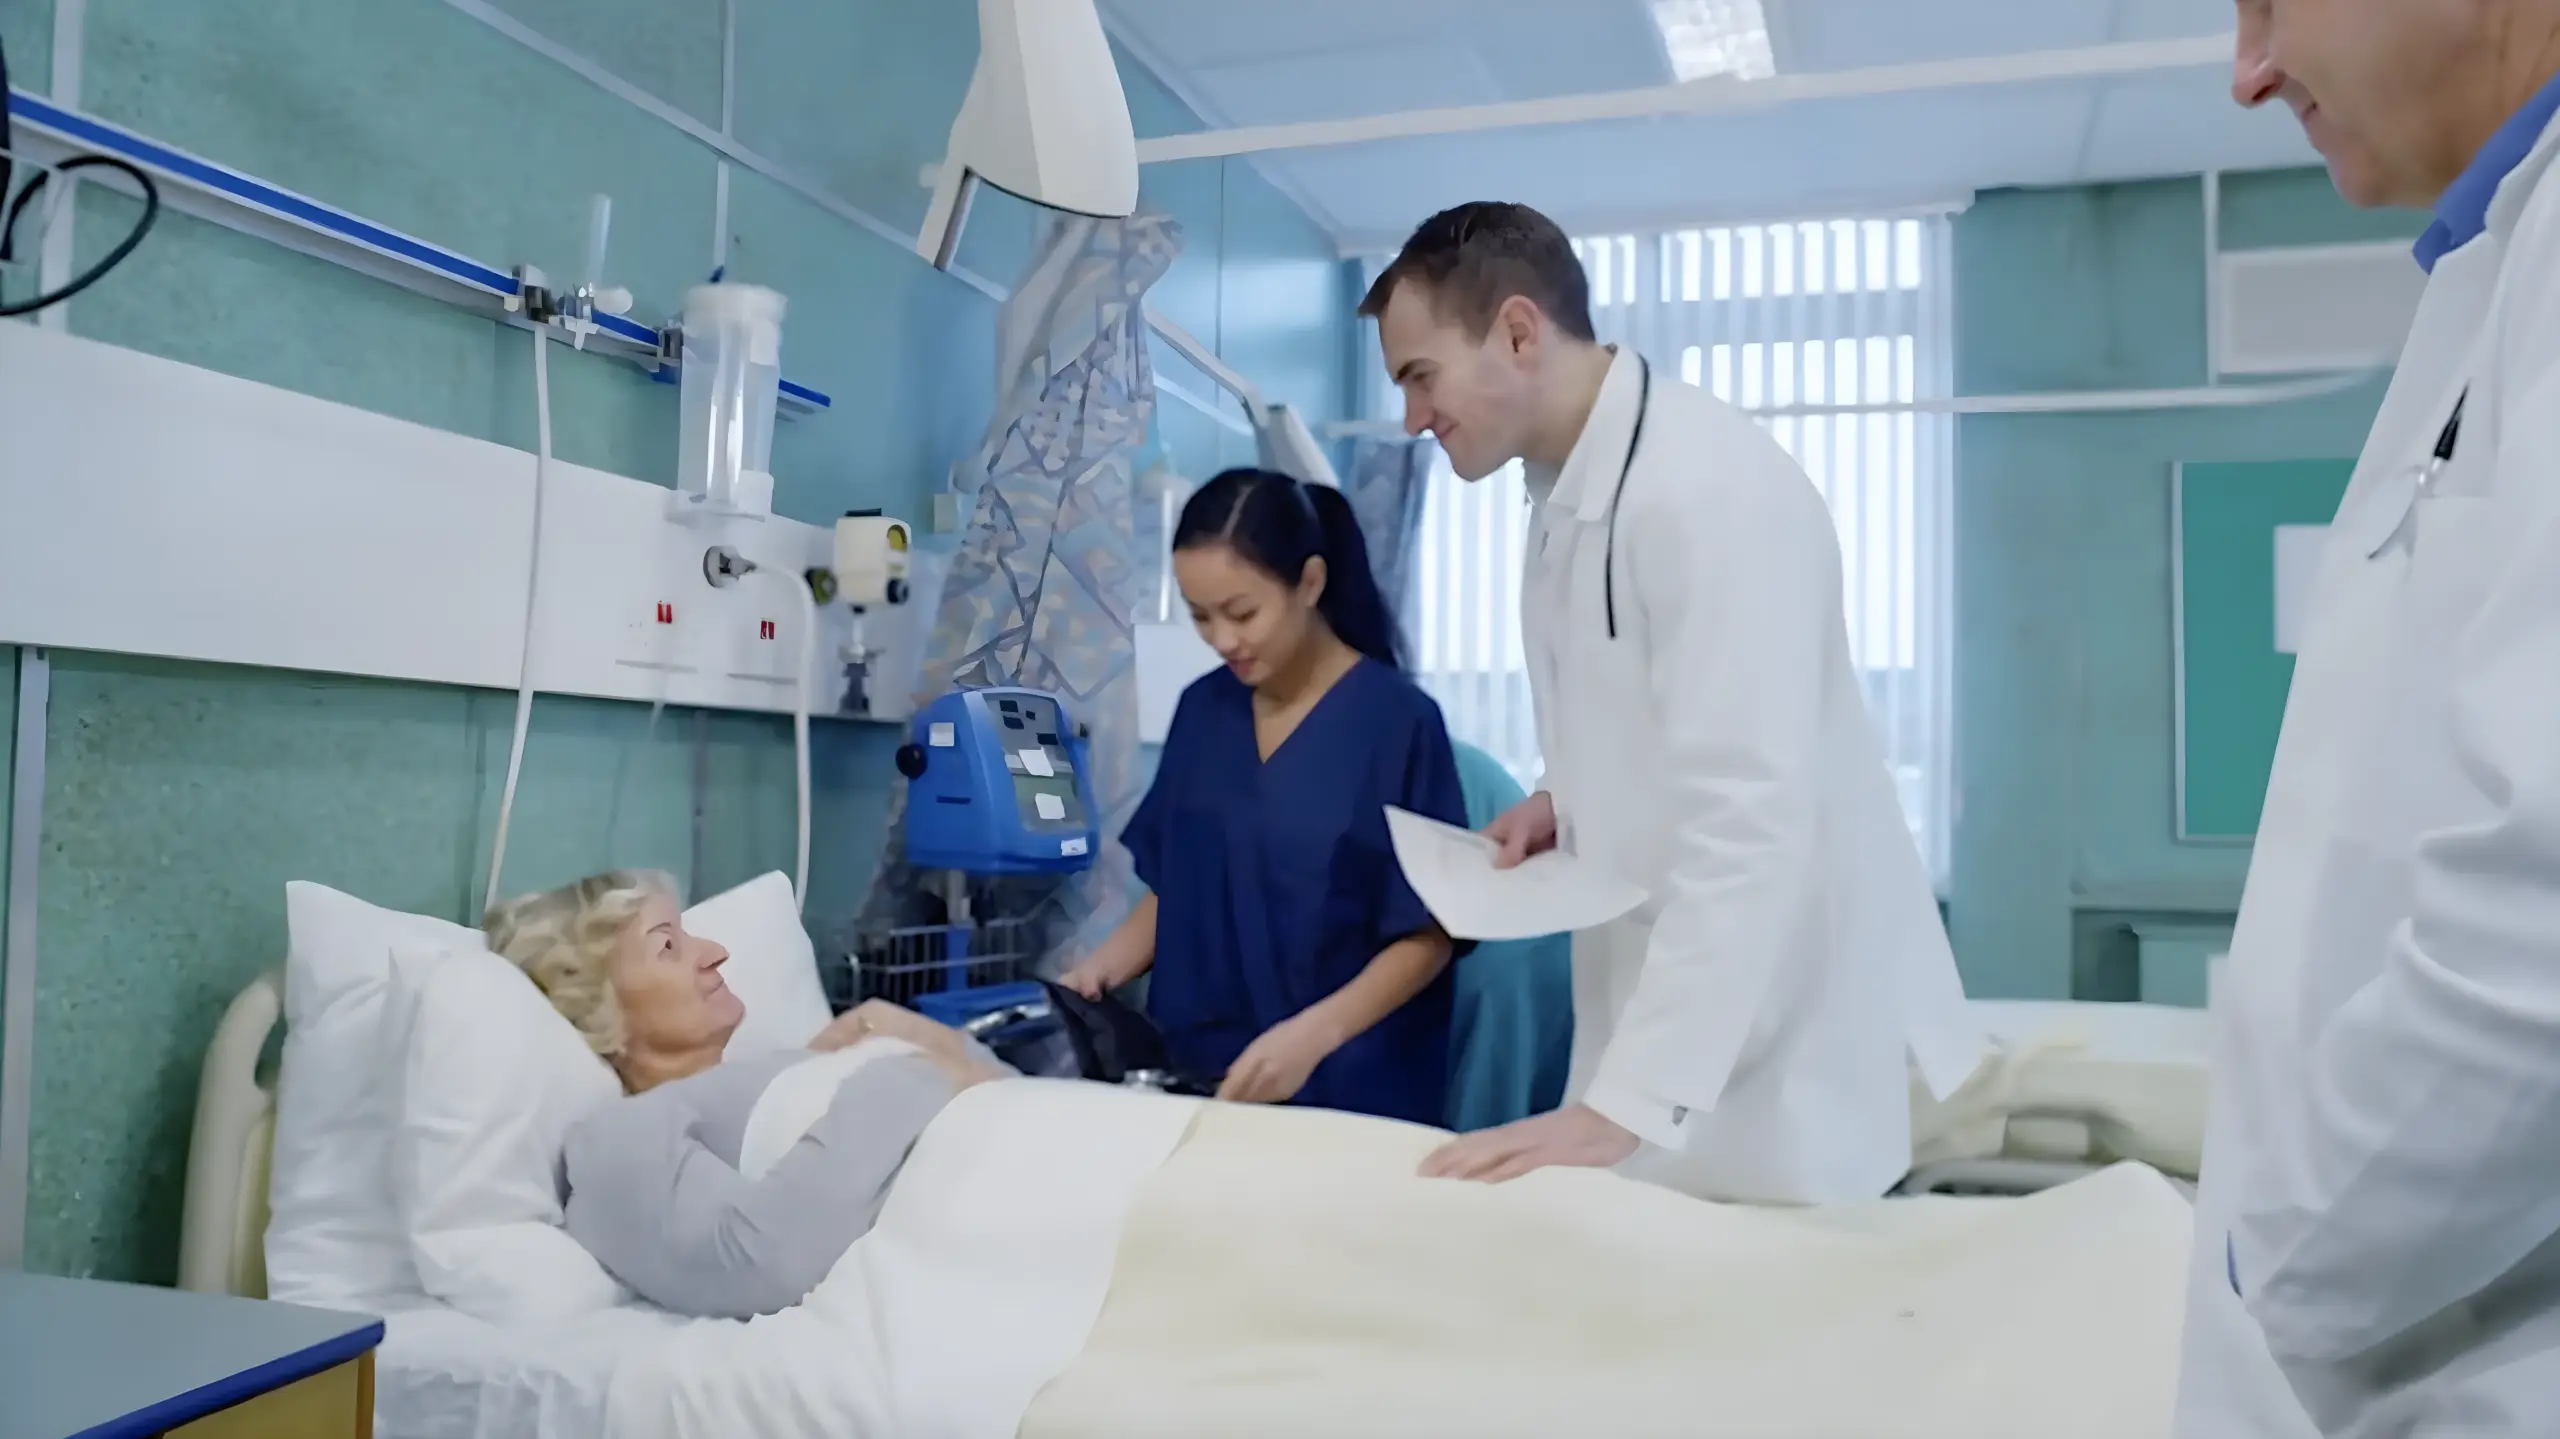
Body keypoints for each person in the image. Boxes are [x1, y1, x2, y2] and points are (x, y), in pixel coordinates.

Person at [1361, 202, 1980, 1202]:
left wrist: (1627, 1100)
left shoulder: (1707, 492)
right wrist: (1564, 795)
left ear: (1518, 331)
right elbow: (1655, 707)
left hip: (1765, 1041)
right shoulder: (1564, 491)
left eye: (1417, 375)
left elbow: (1751, 818)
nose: (1409, 417)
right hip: (1664, 1016)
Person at [2176, 4, 2560, 1435]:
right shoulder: (2499, 263)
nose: (2247, 72)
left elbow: (2544, 919)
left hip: (2434, 1319)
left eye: (2272, 0)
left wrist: (2279, 1253)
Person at [1057, 466, 1472, 1126]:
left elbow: (1430, 933)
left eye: (1242, 612)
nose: (1222, 640)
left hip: (1346, 1090)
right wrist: (1097, 970)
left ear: (1310, 582)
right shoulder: (1203, 712)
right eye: (1200, 617)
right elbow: (1183, 886)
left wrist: (1315, 1036)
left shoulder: (1397, 725)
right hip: (1198, 1078)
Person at [487, 870, 1012, 1319]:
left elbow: (1011, 1094)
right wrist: (913, 1070)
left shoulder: (794, 1066)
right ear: (598, 1002)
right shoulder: (615, 1143)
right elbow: (768, 1261)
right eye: (668, 945)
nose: (716, 952)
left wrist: (916, 1036)